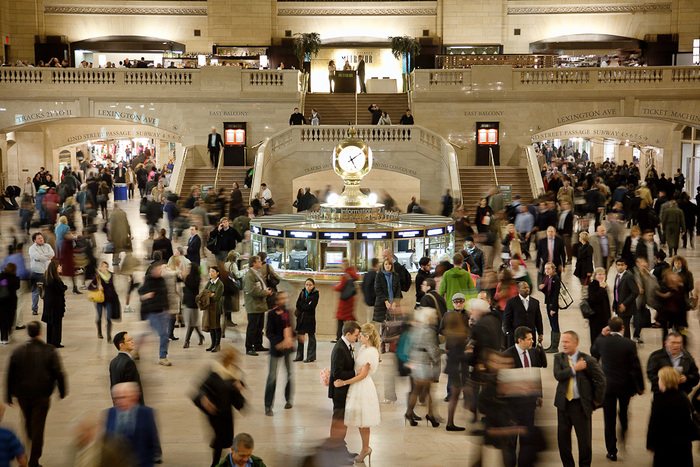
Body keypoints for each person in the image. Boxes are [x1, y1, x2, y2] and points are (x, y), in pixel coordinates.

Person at [6, 321, 67, 467]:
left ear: (28, 332)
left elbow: (10, 374)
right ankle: (34, 459)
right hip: (41, 394)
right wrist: (62, 390)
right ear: (40, 332)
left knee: (27, 421)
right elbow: (59, 372)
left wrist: (8, 395)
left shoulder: (18, 351)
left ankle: (30, 438)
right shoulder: (49, 351)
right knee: (38, 426)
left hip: (22, 395)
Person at [590, 317, 644, 461]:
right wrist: (641, 387)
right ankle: (623, 432)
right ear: (622, 328)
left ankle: (612, 451)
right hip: (624, 386)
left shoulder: (602, 341)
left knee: (609, 418)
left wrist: (601, 335)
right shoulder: (629, 344)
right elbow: (636, 367)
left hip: (607, 386)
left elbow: (593, 353)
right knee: (624, 412)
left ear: (609, 328)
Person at [553, 330, 606, 467]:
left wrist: (597, 401)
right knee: (563, 441)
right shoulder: (559, 358)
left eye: (566, 342)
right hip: (563, 405)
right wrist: (574, 369)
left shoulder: (588, 359)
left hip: (581, 406)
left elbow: (601, 380)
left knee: (584, 442)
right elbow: (558, 375)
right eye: (562, 341)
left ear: (575, 343)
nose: (563, 344)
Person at [332, 323, 381, 463]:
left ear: (367, 336)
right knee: (361, 420)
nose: (358, 338)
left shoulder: (371, 351)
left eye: (360, 335)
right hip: (356, 386)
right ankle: (364, 448)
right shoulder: (364, 348)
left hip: (362, 387)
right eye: (357, 335)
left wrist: (344, 383)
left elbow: (363, 375)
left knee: (363, 420)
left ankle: (365, 448)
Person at [193, 347, 246, 467]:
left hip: (226, 412)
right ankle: (215, 463)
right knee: (219, 437)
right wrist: (204, 398)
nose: (236, 362)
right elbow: (202, 387)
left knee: (226, 438)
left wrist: (240, 385)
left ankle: (222, 459)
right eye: (234, 359)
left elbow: (241, 384)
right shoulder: (215, 372)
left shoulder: (234, 372)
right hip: (214, 411)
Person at [503, 326, 545, 467]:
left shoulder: (532, 353)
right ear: (520, 340)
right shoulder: (507, 355)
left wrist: (539, 394)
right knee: (511, 442)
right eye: (529, 339)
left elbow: (536, 373)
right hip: (513, 407)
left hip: (529, 405)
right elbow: (503, 383)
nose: (532, 341)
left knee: (527, 441)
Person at [646, 367, 696, 467]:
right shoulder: (683, 396)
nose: (658, 382)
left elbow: (654, 423)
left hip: (664, 444)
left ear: (664, 381)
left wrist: (650, 443)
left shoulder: (659, 400)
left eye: (659, 379)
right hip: (683, 444)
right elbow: (688, 420)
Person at [105, 382, 160, 467]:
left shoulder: (146, 413)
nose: (119, 401)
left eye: (123, 397)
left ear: (134, 397)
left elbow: (152, 443)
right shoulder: (110, 413)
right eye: (116, 398)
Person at [328, 320, 361, 459]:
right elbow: (337, 373)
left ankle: (341, 449)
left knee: (342, 422)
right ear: (348, 334)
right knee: (338, 422)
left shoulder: (346, 346)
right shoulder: (340, 349)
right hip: (339, 392)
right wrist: (355, 373)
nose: (357, 338)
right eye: (356, 335)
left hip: (343, 391)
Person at [441, 295, 470, 431]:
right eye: (456, 302)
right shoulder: (459, 336)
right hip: (458, 367)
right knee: (456, 395)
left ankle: (450, 422)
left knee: (455, 395)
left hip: (453, 366)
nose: (458, 304)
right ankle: (450, 423)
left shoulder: (451, 335)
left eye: (460, 301)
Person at [264, 291, 294, 416]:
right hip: (276, 349)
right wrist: (279, 343)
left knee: (289, 374)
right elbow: (269, 332)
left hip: (288, 348)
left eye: (285, 298)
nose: (284, 300)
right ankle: (268, 406)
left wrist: (297, 336)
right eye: (282, 298)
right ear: (277, 301)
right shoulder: (271, 314)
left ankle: (288, 399)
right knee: (272, 377)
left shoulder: (288, 312)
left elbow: (290, 328)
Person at [138, 261, 172, 366]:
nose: (160, 271)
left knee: (146, 334)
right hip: (151, 312)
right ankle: (163, 357)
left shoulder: (162, 280)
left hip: (162, 312)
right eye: (158, 269)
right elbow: (141, 294)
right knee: (164, 335)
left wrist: (168, 310)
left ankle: (135, 350)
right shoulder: (148, 280)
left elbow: (165, 295)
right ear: (153, 271)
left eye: (160, 269)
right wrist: (146, 296)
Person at [243, 255, 272, 356]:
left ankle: (258, 344)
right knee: (252, 327)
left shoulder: (258, 273)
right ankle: (249, 347)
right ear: (254, 263)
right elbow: (252, 291)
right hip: (253, 305)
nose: (261, 263)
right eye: (259, 261)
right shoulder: (249, 276)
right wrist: (265, 293)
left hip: (260, 305)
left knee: (259, 327)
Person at [503, 281, 543, 349]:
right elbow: (507, 318)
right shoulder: (511, 302)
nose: (527, 289)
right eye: (524, 288)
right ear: (518, 290)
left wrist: (540, 333)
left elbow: (538, 318)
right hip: (516, 334)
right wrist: (508, 332)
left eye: (528, 287)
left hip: (530, 334)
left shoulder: (535, 302)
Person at [87, 261, 117, 342]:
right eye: (103, 266)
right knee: (99, 317)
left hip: (109, 299)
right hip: (100, 299)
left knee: (108, 318)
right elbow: (89, 287)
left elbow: (112, 287)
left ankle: (109, 336)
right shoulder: (97, 277)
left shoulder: (111, 275)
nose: (105, 268)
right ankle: (99, 332)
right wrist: (97, 288)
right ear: (100, 268)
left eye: (106, 266)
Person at [109, 331, 143, 399]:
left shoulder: (113, 362)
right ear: (122, 345)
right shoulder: (129, 363)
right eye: (129, 340)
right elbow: (134, 389)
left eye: (131, 339)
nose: (132, 342)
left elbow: (113, 387)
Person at [41, 260, 66, 348]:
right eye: (59, 266)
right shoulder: (55, 279)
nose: (60, 267)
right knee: (57, 323)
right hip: (56, 304)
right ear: (55, 268)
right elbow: (60, 290)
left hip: (48, 304)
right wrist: (64, 286)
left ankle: (49, 341)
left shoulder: (47, 278)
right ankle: (56, 342)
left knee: (50, 324)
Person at [28, 232, 54, 316]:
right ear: (34, 240)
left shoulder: (47, 246)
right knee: (36, 292)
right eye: (39, 238)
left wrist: (42, 257)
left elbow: (52, 254)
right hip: (37, 272)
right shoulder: (32, 248)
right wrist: (46, 258)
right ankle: (34, 308)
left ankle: (47, 308)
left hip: (47, 272)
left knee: (48, 291)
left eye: (41, 238)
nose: (41, 239)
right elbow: (37, 257)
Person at [333, 258, 359, 342]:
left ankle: (339, 338)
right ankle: (354, 335)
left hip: (344, 301)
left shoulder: (345, 275)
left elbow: (340, 287)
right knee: (349, 318)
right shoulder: (352, 273)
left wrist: (334, 286)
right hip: (350, 299)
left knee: (340, 319)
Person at [612, 258, 638, 338]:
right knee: (622, 326)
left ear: (626, 266)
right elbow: (617, 291)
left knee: (625, 327)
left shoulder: (628, 276)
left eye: (622, 265)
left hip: (626, 308)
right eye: (618, 265)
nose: (620, 267)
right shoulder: (618, 276)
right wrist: (614, 304)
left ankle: (627, 343)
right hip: (619, 306)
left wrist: (625, 304)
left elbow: (635, 292)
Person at [294, 278, 319, 363]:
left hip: (310, 319)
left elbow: (311, 306)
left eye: (310, 285)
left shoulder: (315, 294)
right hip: (301, 318)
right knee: (300, 337)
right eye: (306, 285)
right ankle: (299, 356)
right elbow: (298, 304)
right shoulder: (302, 293)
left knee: (311, 337)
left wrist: (304, 305)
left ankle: (310, 356)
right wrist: (306, 304)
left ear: (313, 285)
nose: (308, 287)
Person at [372, 258, 401, 328]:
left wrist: (395, 301)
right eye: (386, 264)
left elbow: (398, 289)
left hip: (393, 303)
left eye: (389, 264)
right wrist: (385, 301)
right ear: (383, 265)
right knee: (383, 324)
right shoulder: (379, 275)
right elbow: (378, 289)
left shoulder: (395, 275)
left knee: (393, 324)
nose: (388, 266)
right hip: (382, 303)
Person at [586, 267, 611, 348]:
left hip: (604, 316)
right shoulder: (592, 285)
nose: (601, 276)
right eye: (599, 274)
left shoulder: (604, 284)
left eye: (603, 274)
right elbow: (593, 299)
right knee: (595, 336)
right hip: (595, 317)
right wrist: (601, 288)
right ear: (595, 276)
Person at [539, 262, 561, 353]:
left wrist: (554, 309)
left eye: (548, 268)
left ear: (553, 269)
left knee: (555, 324)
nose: (547, 270)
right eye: (545, 269)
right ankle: (552, 345)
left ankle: (555, 347)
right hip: (549, 304)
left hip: (553, 305)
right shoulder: (547, 278)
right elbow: (547, 293)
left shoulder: (555, 279)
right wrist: (543, 288)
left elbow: (555, 295)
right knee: (552, 324)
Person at [203, 266, 225, 352]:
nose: (210, 273)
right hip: (209, 307)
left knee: (216, 326)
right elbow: (203, 293)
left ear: (217, 273)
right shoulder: (209, 282)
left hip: (216, 308)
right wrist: (209, 294)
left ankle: (217, 344)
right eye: (210, 272)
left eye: (213, 272)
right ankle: (212, 343)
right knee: (211, 326)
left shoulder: (220, 284)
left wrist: (208, 295)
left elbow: (216, 297)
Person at [0, 262, 21, 344]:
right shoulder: (15, 279)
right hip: (11, 302)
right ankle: (8, 334)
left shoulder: (1, 277)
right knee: (10, 318)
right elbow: (17, 287)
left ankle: (4, 337)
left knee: (3, 320)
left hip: (1, 302)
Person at [362, 258, 380, 323]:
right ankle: (369, 332)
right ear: (376, 264)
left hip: (367, 300)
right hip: (373, 301)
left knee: (369, 318)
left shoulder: (367, 275)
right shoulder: (375, 275)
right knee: (371, 320)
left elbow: (363, 287)